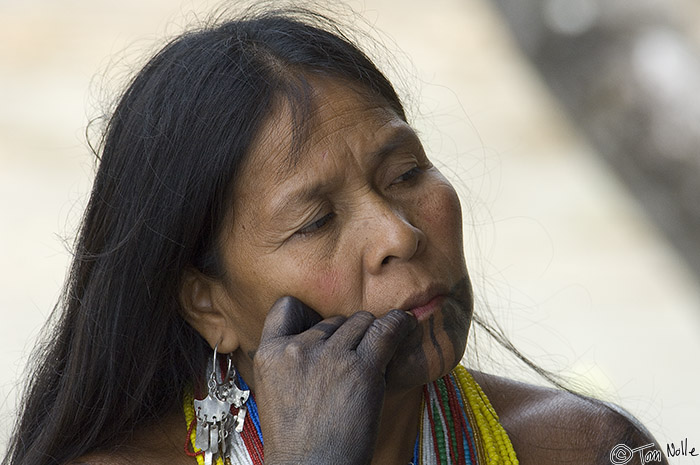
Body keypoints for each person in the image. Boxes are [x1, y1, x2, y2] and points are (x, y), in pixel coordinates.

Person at [4, 6, 667, 465]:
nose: (398, 234)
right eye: (316, 220)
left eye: (406, 173)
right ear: (209, 304)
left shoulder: (585, 448)